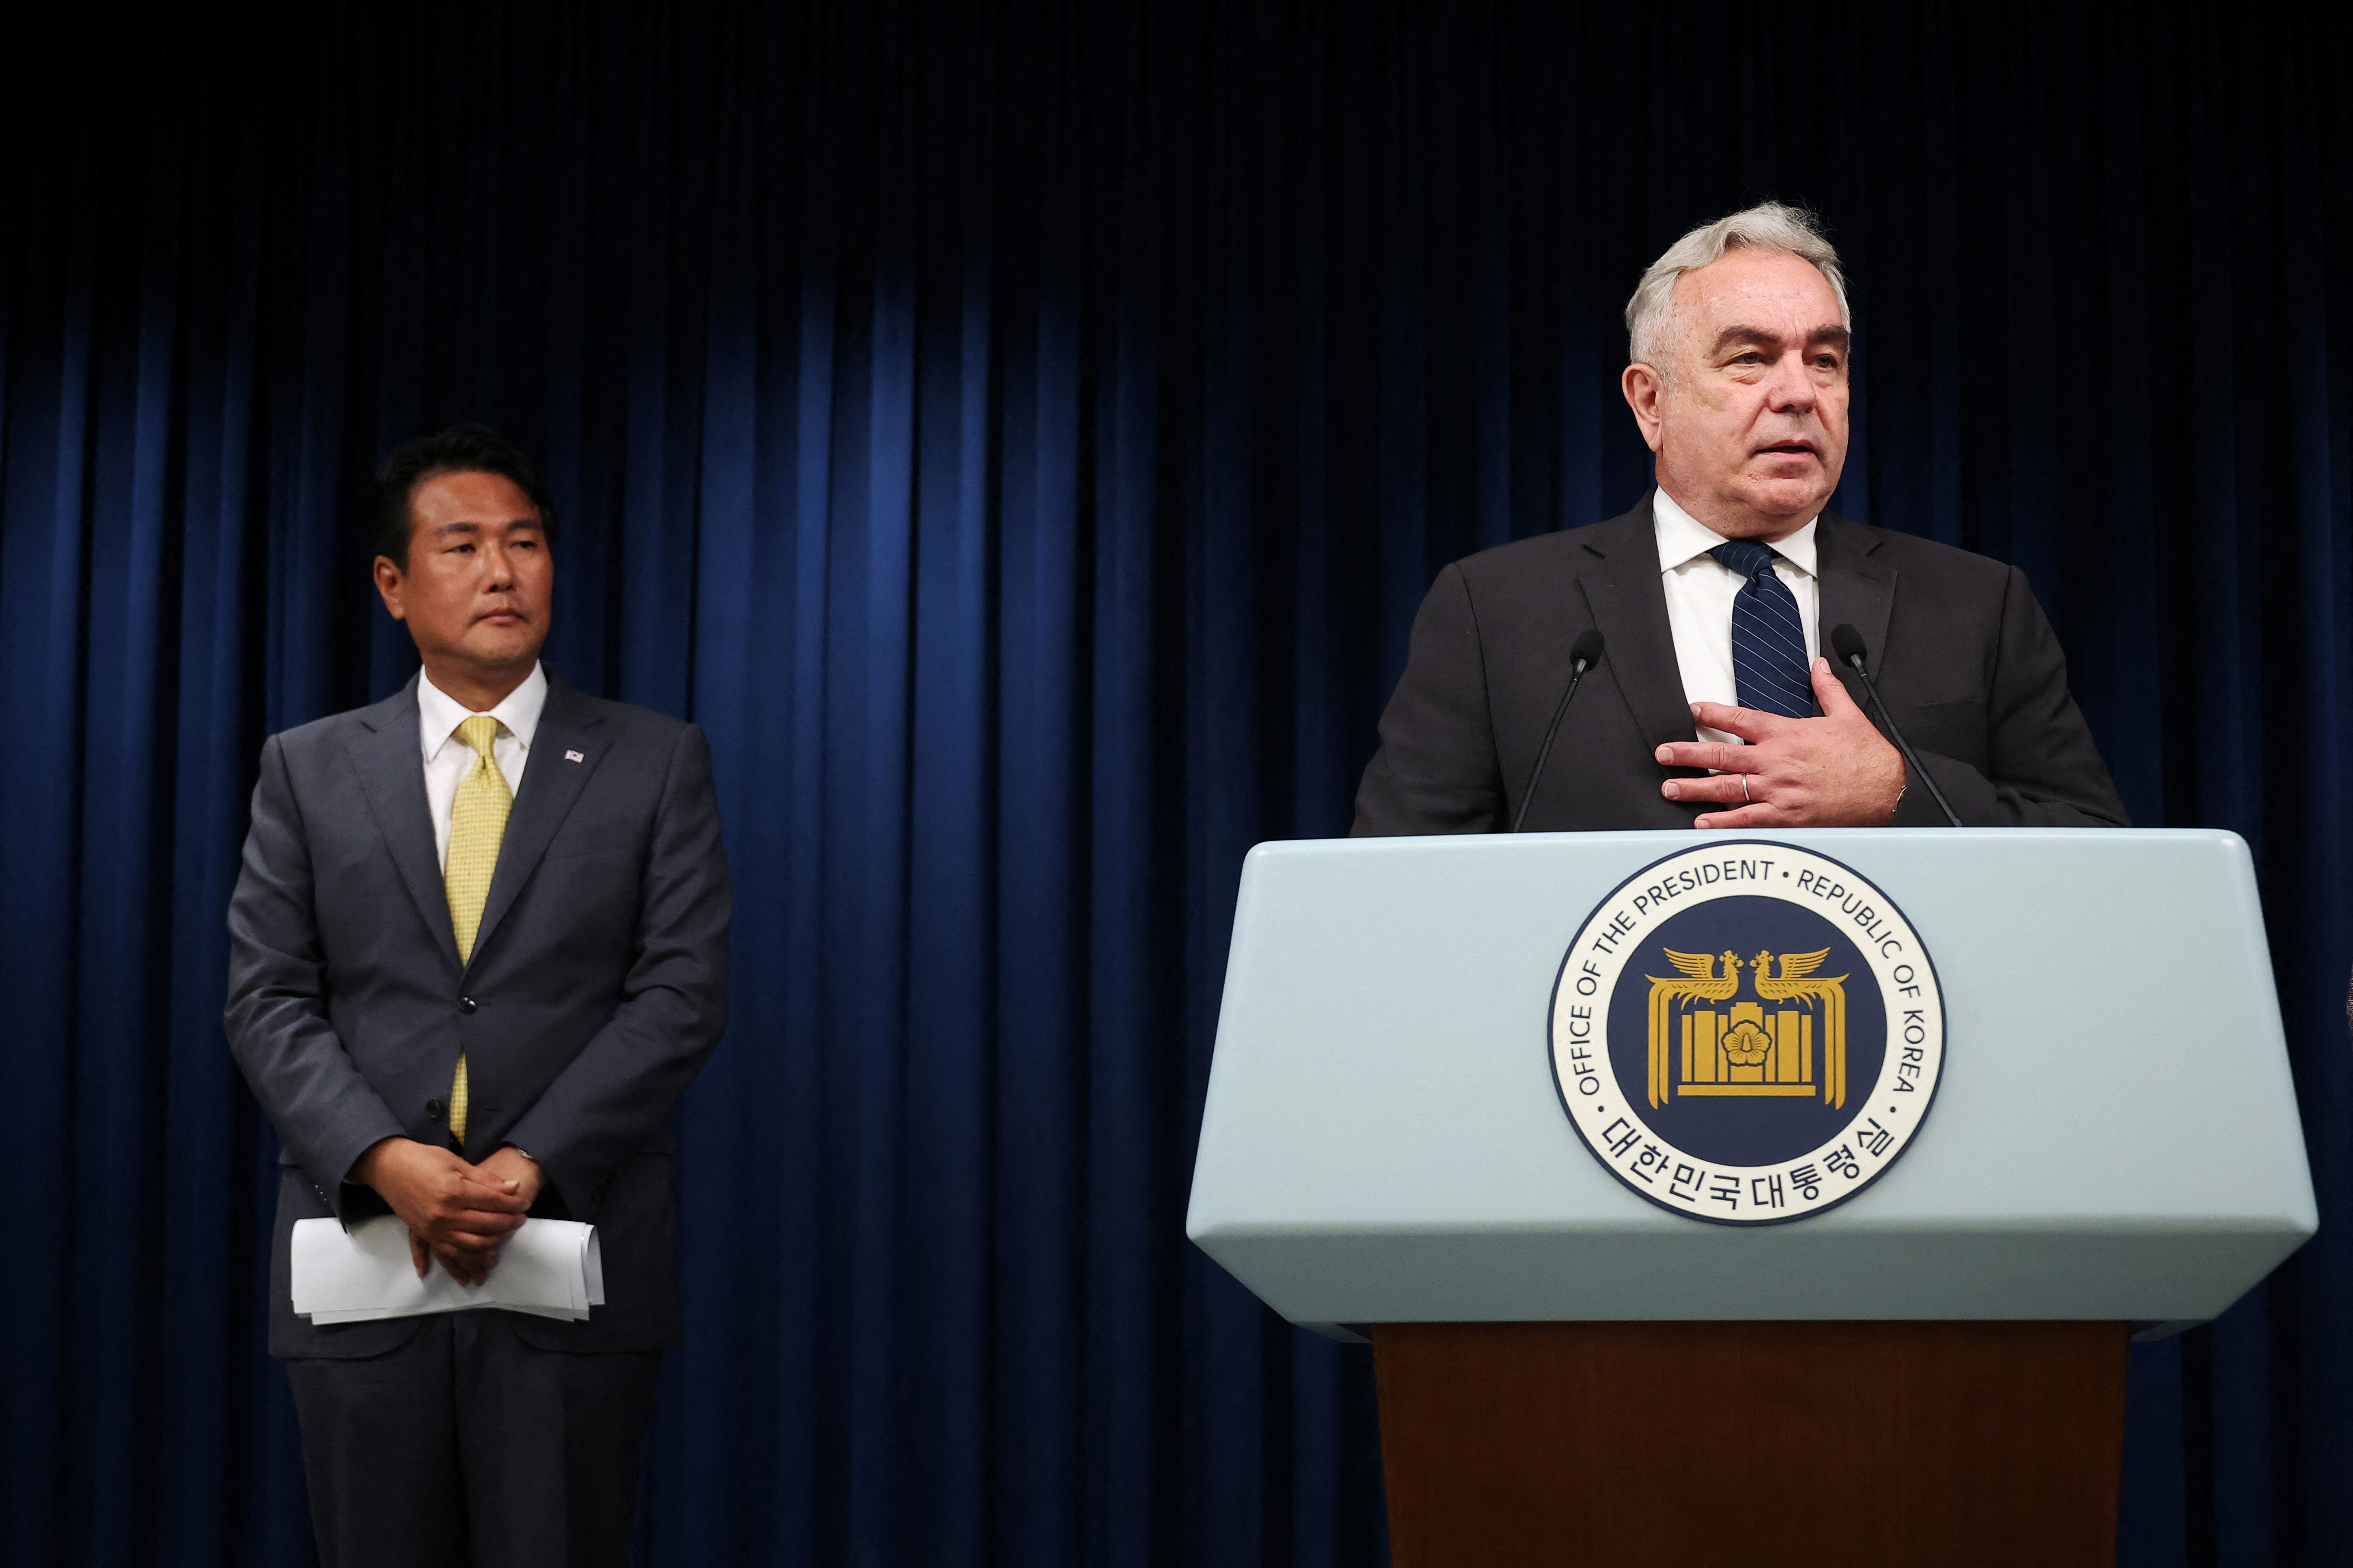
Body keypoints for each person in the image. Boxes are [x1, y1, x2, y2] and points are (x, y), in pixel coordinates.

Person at [225, 424, 732, 1567]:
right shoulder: (307, 766)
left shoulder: (655, 760)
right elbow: (267, 996)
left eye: (525, 542)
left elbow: (681, 992)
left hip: (564, 1252)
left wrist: (526, 1162)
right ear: (393, 584)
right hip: (364, 1258)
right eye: (462, 546)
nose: (502, 572)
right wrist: (384, 1158)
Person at [1352, 203, 2127, 835]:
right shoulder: (1496, 611)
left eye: (1823, 360)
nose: (1798, 394)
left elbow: (2093, 851)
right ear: (1649, 402)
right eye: (1749, 359)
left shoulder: (1976, 604)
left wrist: (1896, 789)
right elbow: (1395, 884)